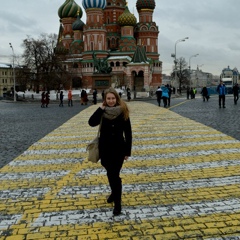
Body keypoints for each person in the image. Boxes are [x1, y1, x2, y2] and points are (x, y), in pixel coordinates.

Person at [88, 87, 132, 216]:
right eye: (108, 99)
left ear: (117, 99)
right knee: (110, 173)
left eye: (113, 98)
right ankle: (114, 192)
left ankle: (118, 204)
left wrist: (127, 151)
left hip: (119, 148)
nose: (111, 101)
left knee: (114, 175)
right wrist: (100, 109)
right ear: (105, 100)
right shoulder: (102, 111)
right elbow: (91, 123)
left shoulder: (123, 111)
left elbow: (128, 133)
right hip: (105, 149)